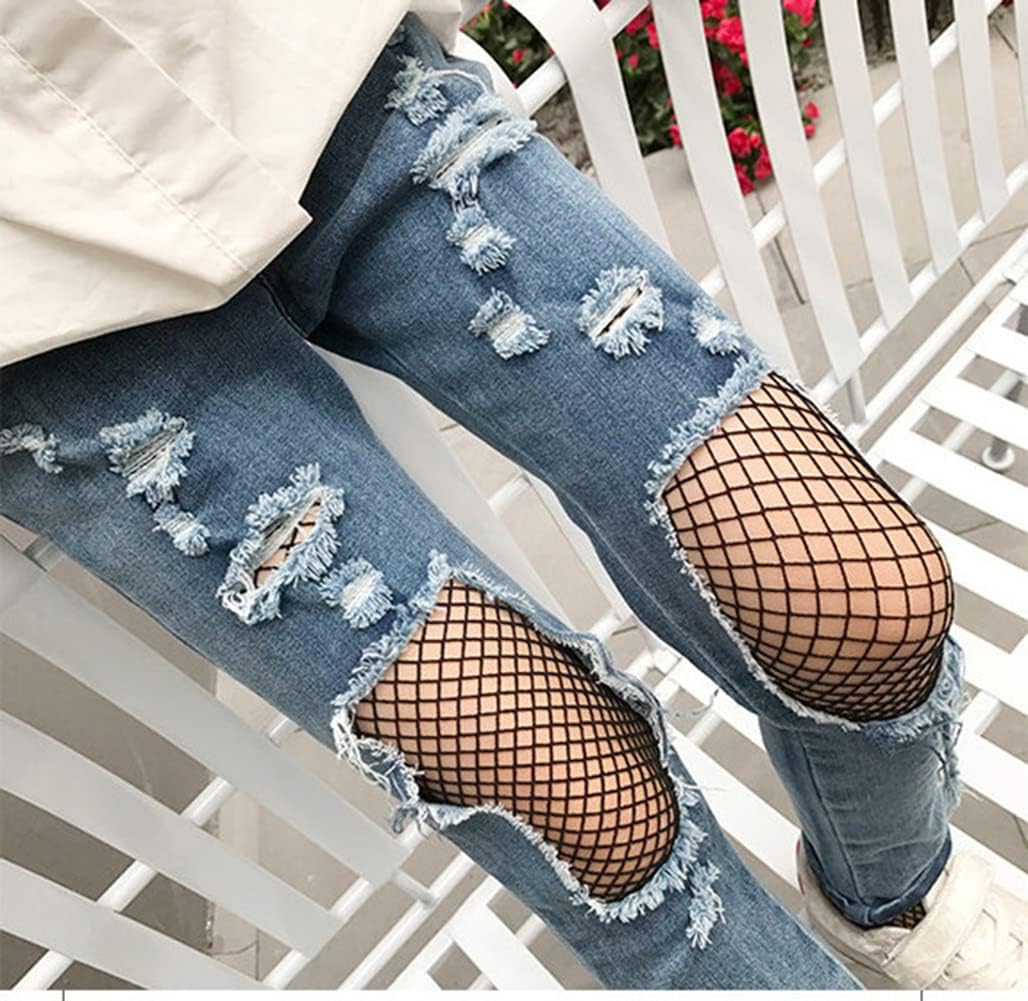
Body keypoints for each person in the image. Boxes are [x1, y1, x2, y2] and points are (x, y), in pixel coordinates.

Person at [1, 4, 1024, 990]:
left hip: (286, 61)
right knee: (590, 808)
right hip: (43, 309)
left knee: (860, 594)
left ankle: (898, 900)